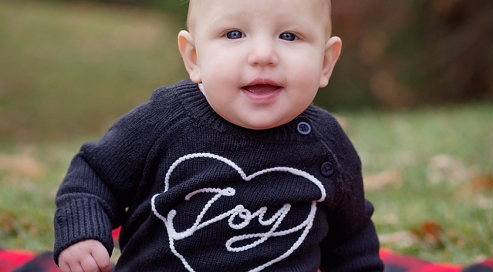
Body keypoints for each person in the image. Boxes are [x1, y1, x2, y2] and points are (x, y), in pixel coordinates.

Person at [53, 0, 385, 271]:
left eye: (289, 36)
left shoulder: (327, 145)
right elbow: (94, 176)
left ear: (325, 63)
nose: (263, 55)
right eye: (234, 33)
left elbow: (352, 241)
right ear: (194, 57)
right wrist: (83, 232)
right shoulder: (162, 121)